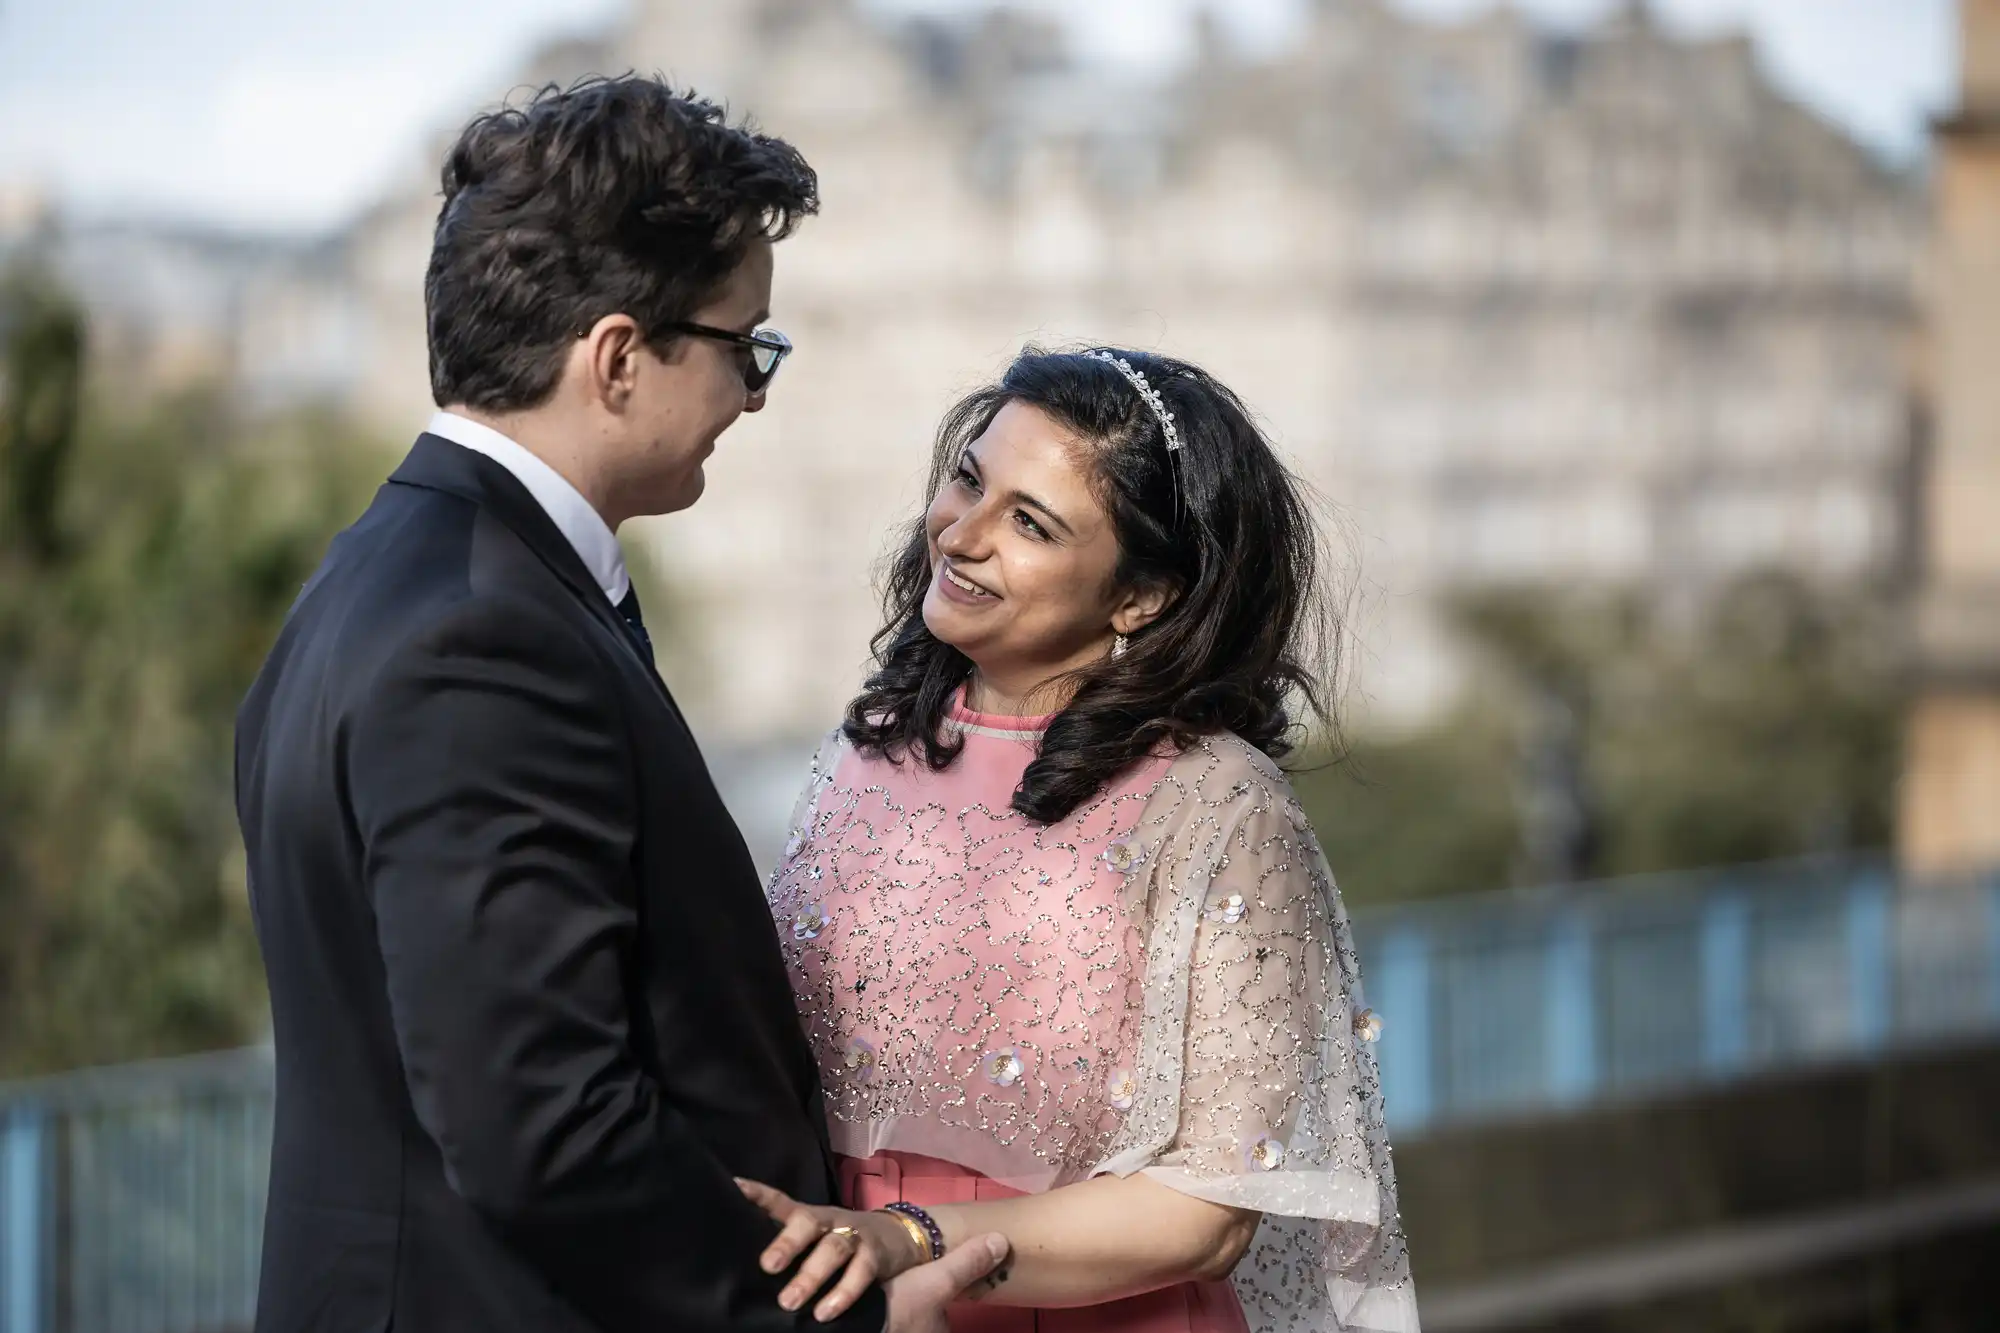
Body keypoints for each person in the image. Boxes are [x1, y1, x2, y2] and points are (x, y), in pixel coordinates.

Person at [233, 77, 1006, 1333]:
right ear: (615, 359)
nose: (754, 394)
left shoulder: (382, 576)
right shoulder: (483, 643)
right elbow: (539, 1124)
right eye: (744, 346)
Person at [745, 348, 1420, 1332]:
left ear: (1141, 596)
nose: (960, 534)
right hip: (848, 1303)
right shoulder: (865, 749)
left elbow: (1207, 1213)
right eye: (969, 480)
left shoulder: (1219, 803)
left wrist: (910, 1237)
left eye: (1030, 521)